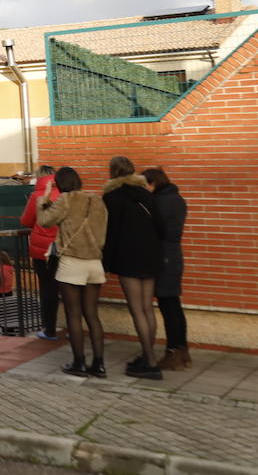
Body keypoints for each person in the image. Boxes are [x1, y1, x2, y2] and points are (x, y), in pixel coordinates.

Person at [36, 167, 107, 378]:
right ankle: (99, 364)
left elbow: (44, 220)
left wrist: (44, 198)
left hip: (72, 262)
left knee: (73, 314)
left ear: (59, 184)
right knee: (92, 315)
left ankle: (79, 362)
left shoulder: (65, 200)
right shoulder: (97, 201)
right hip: (95, 262)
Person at [102, 155, 164, 380]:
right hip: (151, 255)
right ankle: (149, 356)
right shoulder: (147, 195)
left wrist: (106, 262)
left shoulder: (111, 197)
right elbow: (160, 226)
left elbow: (111, 232)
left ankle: (150, 361)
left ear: (113, 171)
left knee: (136, 309)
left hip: (128, 257)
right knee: (147, 308)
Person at [144, 166, 189, 370]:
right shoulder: (177, 198)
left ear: (152, 183)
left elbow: (155, 230)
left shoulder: (160, 202)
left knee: (168, 306)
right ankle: (182, 350)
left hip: (164, 257)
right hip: (174, 255)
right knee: (174, 305)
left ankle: (172, 352)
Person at [19, 165, 61, 341]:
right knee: (64, 287)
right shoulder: (64, 194)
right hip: (63, 247)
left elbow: (26, 221)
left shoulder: (37, 195)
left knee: (46, 289)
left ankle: (49, 329)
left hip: (42, 251)